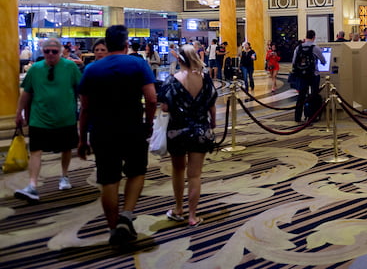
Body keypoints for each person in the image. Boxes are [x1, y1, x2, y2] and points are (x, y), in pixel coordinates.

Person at [77, 25, 157, 246]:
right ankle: (126, 215)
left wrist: (82, 138)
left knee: (108, 179)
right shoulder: (137, 64)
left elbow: (85, 108)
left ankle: (114, 229)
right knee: (136, 171)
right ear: (126, 44)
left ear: (106, 44)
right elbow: (151, 99)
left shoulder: (91, 69)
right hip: (132, 127)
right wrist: (149, 123)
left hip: (102, 130)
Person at [14, 37, 82, 202]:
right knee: (35, 151)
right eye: (47, 51)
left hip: (65, 118)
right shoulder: (35, 68)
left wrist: (86, 110)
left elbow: (80, 90)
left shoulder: (70, 67)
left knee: (66, 149)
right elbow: (27, 93)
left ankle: (64, 176)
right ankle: (32, 185)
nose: (50, 54)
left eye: (54, 51)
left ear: (60, 52)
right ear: (42, 52)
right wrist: (19, 113)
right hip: (40, 118)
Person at [160, 44, 217, 227]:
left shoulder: (172, 80)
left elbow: (165, 107)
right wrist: (213, 121)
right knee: (195, 175)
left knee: (178, 171)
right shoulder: (205, 79)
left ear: (179, 60)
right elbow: (211, 104)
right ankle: (193, 216)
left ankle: (178, 209)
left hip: (177, 130)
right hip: (200, 129)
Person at [292, 30, 326, 122]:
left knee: (301, 96)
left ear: (306, 36)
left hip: (302, 75)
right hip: (313, 75)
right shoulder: (315, 48)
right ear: (314, 37)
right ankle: (312, 116)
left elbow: (294, 62)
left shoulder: (298, 48)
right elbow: (323, 61)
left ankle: (297, 117)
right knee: (314, 95)